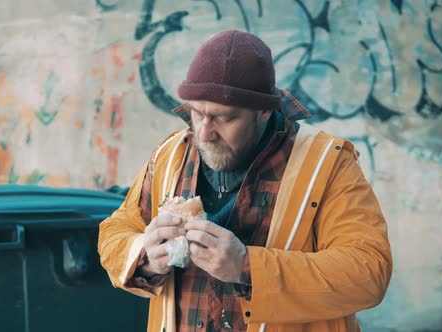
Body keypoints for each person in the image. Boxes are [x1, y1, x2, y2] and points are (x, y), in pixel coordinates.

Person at [98, 30, 392, 332]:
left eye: (224, 119)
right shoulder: (169, 155)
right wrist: (146, 255)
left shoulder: (328, 163)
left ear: (264, 110)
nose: (203, 133)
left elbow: (369, 272)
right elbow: (115, 231)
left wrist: (246, 267)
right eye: (197, 113)